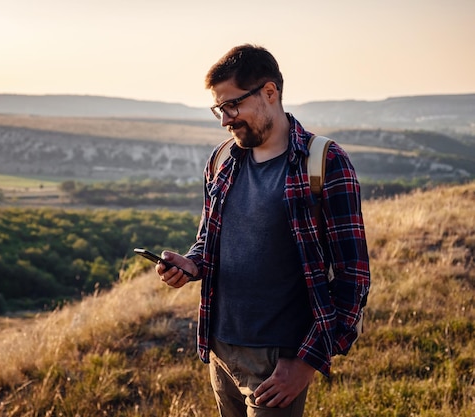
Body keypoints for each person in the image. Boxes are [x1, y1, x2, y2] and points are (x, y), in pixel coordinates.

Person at [155, 44, 370, 417]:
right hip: (220, 351)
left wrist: (305, 363)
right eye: (219, 109)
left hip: (278, 362)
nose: (225, 120)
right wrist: (190, 265)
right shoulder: (221, 160)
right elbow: (210, 240)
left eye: (231, 106)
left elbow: (354, 278)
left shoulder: (323, 162)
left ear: (269, 93)